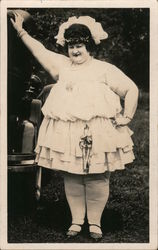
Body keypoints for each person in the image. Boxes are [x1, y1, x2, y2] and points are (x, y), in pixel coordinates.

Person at [10, 12, 139, 240]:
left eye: (79, 45)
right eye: (71, 46)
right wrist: (21, 31)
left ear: (89, 45)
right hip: (68, 134)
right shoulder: (62, 66)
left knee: (97, 176)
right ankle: (77, 221)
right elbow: (38, 49)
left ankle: (95, 223)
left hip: (98, 133)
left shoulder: (104, 69)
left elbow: (131, 89)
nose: (75, 50)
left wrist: (126, 117)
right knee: (72, 175)